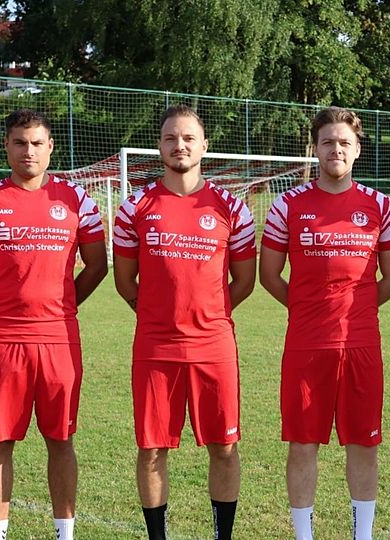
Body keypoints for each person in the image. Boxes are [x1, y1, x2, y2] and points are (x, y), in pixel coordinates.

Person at [0, 109, 108, 540]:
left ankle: (65, 533)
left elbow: (97, 266)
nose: (28, 151)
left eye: (37, 143)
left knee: (61, 439)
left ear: (50, 147)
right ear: (6, 146)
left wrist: (62, 306)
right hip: (2, 339)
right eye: (20, 142)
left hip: (59, 339)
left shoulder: (77, 200)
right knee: (0, 440)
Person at [259, 106, 390, 540]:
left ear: (357, 149)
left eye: (344, 142)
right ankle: (304, 536)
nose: (335, 149)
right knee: (303, 443)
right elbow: (270, 276)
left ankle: (363, 535)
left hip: (361, 344)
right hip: (306, 346)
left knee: (363, 443)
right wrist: (309, 309)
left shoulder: (381, 206)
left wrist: (354, 309)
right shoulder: (287, 205)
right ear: (315, 148)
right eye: (327, 142)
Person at [112, 104, 255, 540]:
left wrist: (207, 314)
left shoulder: (232, 208)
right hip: (155, 348)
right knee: (152, 449)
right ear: (159, 145)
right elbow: (125, 281)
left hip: (214, 346)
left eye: (189, 138)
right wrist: (160, 314)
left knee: (224, 447)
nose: (180, 145)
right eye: (171, 138)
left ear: (204, 145)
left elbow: (244, 281)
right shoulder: (134, 208)